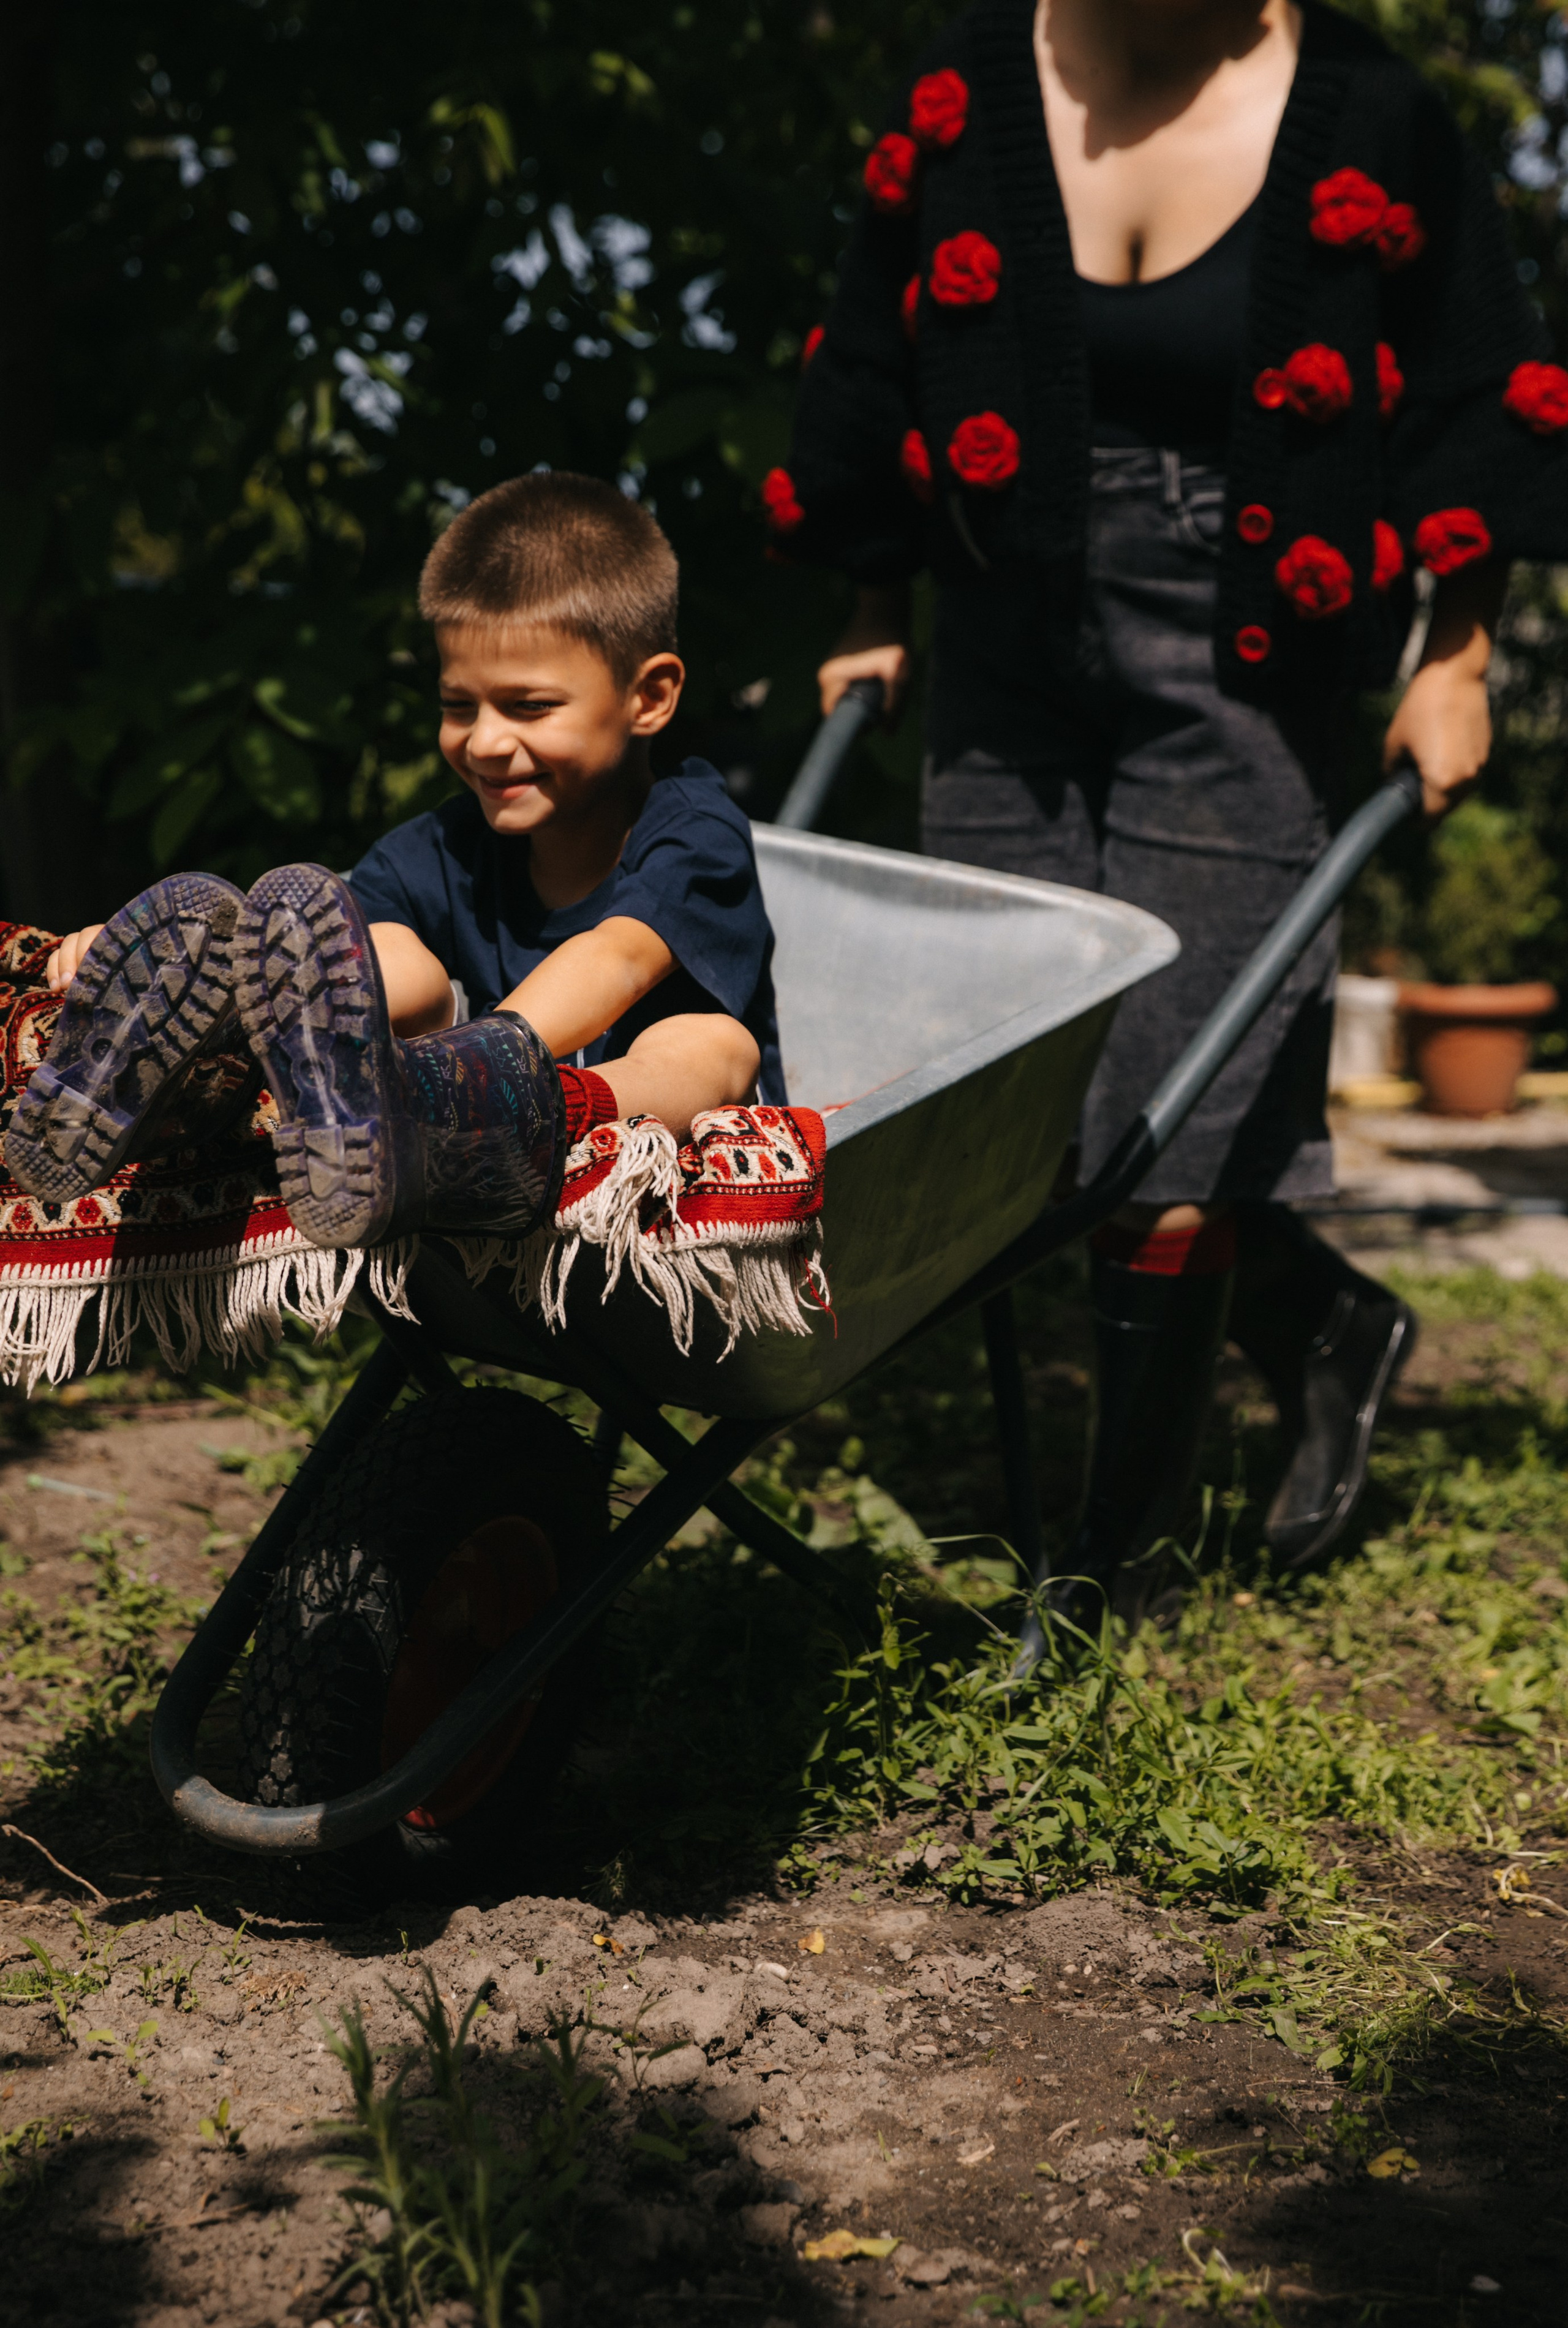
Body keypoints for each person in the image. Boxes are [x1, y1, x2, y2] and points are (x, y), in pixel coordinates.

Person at [777, 0, 1568, 1606]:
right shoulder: (968, 90)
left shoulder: (1366, 107)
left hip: (1251, 643)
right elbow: (875, 344)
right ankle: (1325, 1321)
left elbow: (1481, 378)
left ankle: (1108, 1574)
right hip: (1005, 633)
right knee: (1010, 1087)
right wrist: (873, 598)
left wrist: (1458, 648)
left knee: (1179, 1112)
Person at [6, 473, 778, 1252]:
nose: (481, 742)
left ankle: (454, 1095)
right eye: (457, 705)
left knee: (713, 1045)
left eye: (529, 706)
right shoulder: (451, 846)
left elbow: (614, 960)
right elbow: (314, 946)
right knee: (385, 958)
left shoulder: (693, 827)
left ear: (650, 697)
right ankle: (203, 1058)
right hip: (452, 1148)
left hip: (646, 1143)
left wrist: (482, 1064)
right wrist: (191, 960)